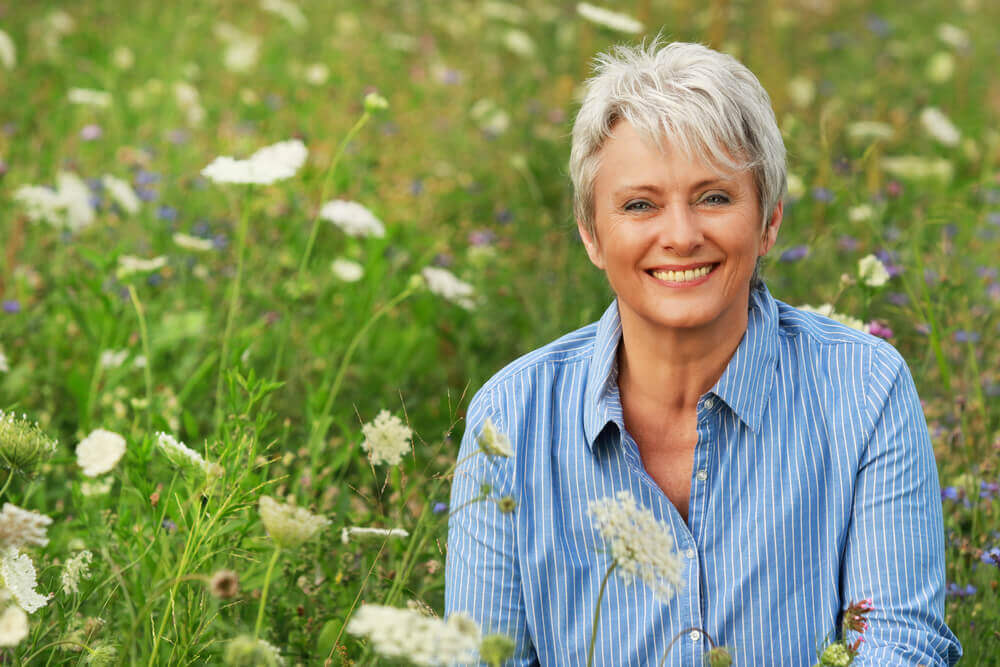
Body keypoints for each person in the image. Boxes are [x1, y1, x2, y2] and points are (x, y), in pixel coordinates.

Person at [445, 40, 961, 666]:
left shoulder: (865, 389)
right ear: (591, 233)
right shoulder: (511, 416)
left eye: (714, 197)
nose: (682, 236)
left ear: (768, 220)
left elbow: (899, 644)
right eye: (640, 205)